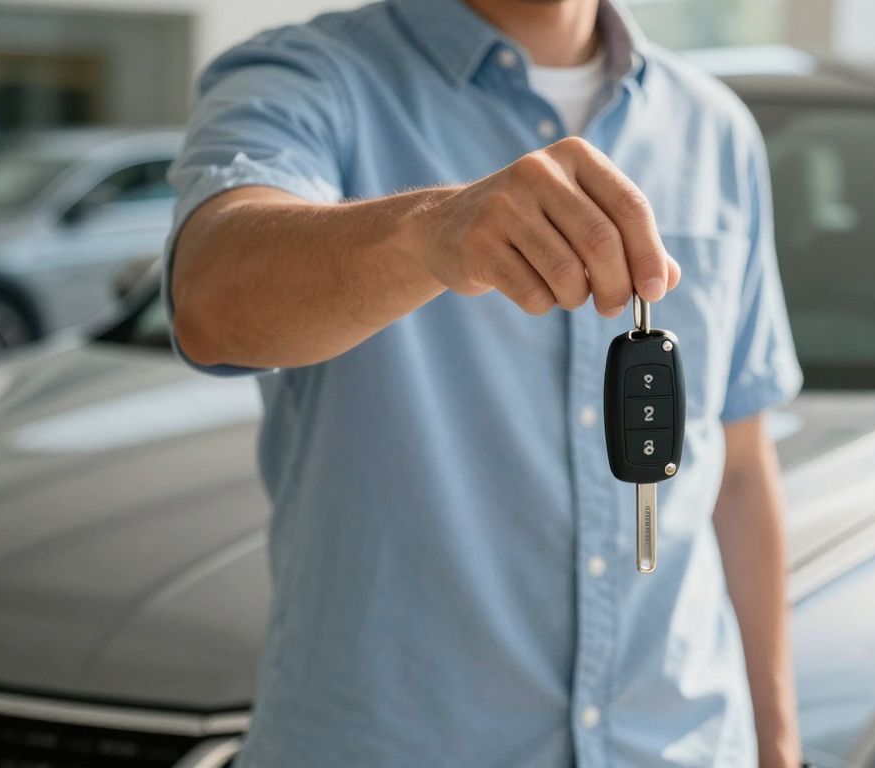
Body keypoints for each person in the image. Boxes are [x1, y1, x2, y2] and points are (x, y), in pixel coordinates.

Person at [165, 0, 803, 765]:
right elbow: (211, 299)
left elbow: (735, 473)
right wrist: (432, 232)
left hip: (682, 743)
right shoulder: (310, 76)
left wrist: (780, 745)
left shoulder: (715, 127)